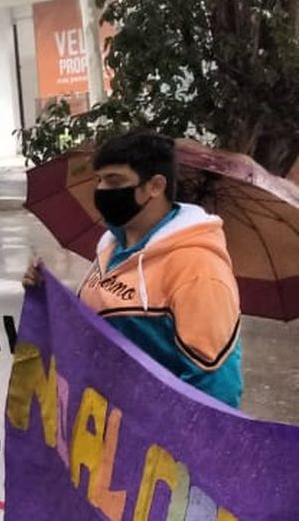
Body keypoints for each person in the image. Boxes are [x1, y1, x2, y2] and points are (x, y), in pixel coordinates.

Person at [25, 130, 243, 406]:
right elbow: (98, 323)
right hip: (104, 423)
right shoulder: (111, 246)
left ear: (155, 186)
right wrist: (48, 297)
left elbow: (215, 386)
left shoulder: (198, 268)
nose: (102, 190)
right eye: (99, 180)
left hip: (151, 439)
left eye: (115, 180)